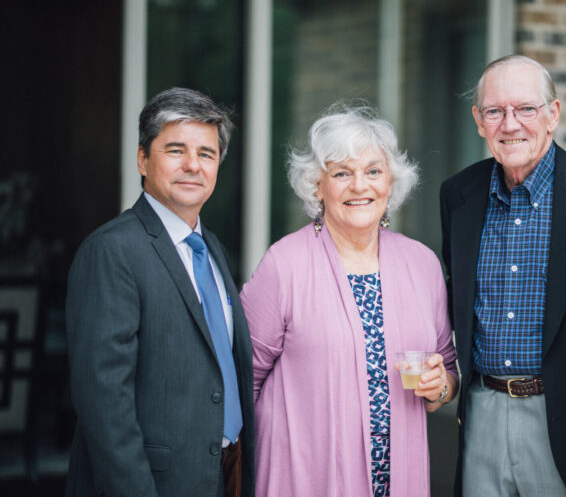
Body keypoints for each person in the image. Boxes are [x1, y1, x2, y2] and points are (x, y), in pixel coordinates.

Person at [240, 103, 458, 497]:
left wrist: (440, 386)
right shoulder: (284, 264)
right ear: (317, 186)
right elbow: (242, 378)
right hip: (304, 479)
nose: (360, 186)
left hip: (397, 480)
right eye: (342, 173)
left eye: (373, 171)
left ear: (390, 183)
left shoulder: (423, 265)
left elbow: (449, 371)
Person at [440, 54, 566, 496]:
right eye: (495, 111)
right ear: (478, 120)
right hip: (481, 413)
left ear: (553, 115)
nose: (510, 124)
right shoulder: (458, 194)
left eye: (525, 108)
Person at [65, 87, 255, 497]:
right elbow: (104, 405)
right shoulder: (112, 250)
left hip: (222, 478)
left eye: (206, 153)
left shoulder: (213, 250)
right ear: (142, 159)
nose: (193, 165)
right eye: (175, 150)